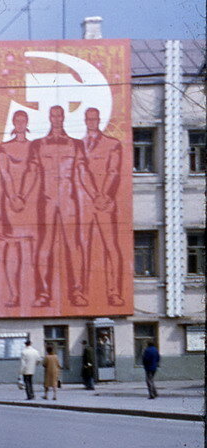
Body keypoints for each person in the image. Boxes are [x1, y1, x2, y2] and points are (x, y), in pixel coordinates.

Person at [21, 105, 95, 308]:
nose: (56, 118)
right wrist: (21, 196)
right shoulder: (38, 145)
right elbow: (31, 173)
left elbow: (83, 172)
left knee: (74, 246)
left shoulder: (75, 144)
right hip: (46, 201)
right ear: (49, 117)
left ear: (63, 117)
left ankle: (77, 292)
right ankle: (43, 293)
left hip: (69, 200)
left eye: (59, 115)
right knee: (44, 246)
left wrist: (96, 195)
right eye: (53, 115)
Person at [79, 107, 125, 306]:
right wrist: (93, 195)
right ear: (84, 120)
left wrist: (103, 195)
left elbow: (114, 170)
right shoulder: (78, 145)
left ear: (99, 120)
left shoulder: (112, 144)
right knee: (82, 247)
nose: (91, 122)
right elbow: (80, 170)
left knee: (111, 247)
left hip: (105, 203)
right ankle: (81, 292)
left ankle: (114, 293)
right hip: (85, 203)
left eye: (94, 119)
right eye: (88, 119)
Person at [0, 109, 34, 307]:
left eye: (23, 120)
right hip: (10, 202)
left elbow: (34, 172)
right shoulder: (4, 147)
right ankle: (13, 294)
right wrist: (13, 197)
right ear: (13, 122)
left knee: (32, 248)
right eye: (17, 120)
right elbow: (5, 173)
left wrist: (23, 197)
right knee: (12, 247)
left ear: (26, 123)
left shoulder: (34, 147)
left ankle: (32, 293)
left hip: (30, 201)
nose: (20, 123)